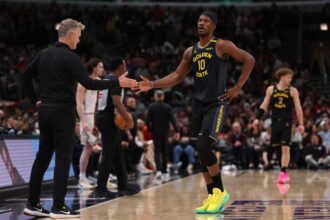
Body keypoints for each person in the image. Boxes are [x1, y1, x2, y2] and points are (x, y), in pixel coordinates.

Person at [135, 11, 255, 213]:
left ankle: (220, 192)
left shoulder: (221, 45)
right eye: (199, 20)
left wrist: (237, 88)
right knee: (200, 151)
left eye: (206, 21)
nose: (201, 23)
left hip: (216, 103)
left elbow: (249, 59)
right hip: (198, 104)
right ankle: (211, 196)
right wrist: (153, 84)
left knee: (204, 146)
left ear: (214, 25)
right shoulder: (191, 51)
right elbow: (176, 76)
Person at [22, 18, 137, 218]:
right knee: (63, 158)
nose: (79, 40)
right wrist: (116, 82)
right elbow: (89, 83)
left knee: (42, 157)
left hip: (45, 111)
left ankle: (32, 203)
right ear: (70, 35)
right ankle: (59, 206)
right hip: (62, 112)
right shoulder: (70, 57)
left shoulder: (43, 54)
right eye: (78, 36)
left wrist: (36, 100)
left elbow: (25, 76)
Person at [96, 57, 140, 196]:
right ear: (119, 67)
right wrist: (129, 119)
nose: (126, 68)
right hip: (108, 117)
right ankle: (101, 188)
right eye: (124, 65)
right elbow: (116, 102)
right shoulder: (115, 80)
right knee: (108, 153)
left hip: (105, 116)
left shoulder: (107, 78)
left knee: (118, 153)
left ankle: (123, 184)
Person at [253, 67, 304, 184]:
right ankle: (283, 170)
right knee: (278, 148)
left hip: (287, 122)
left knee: (286, 147)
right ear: (282, 77)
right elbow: (264, 105)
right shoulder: (271, 89)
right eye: (288, 77)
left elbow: (298, 107)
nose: (290, 79)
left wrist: (301, 124)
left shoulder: (293, 90)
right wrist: (257, 118)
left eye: (291, 77)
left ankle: (283, 172)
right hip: (275, 122)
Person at [76, 58, 104, 190]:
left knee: (91, 149)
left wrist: (96, 122)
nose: (102, 69)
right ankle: (81, 179)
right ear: (94, 68)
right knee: (87, 149)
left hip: (94, 116)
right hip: (86, 117)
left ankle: (96, 176)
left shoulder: (99, 83)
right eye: (100, 67)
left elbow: (97, 105)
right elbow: (79, 104)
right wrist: (83, 121)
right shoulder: (83, 82)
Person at [147, 90, 180, 180]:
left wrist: (150, 130)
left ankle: (158, 171)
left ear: (155, 96)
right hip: (165, 132)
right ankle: (164, 171)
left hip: (155, 132)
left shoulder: (151, 107)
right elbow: (172, 120)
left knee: (157, 151)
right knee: (165, 151)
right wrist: (177, 131)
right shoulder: (168, 107)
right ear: (163, 97)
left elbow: (147, 121)